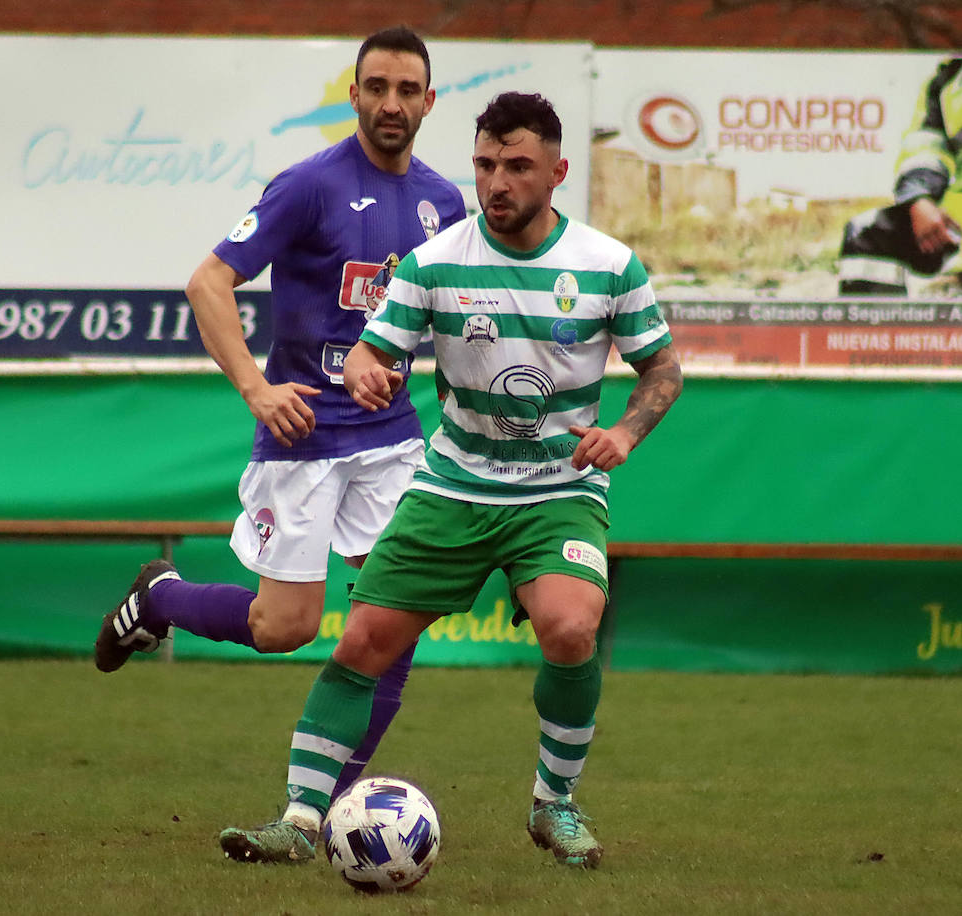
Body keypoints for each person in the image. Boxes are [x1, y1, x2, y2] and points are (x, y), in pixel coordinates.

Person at [218, 91, 683, 868]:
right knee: (363, 639)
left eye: (518, 165)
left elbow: (662, 368)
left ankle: (554, 806)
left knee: (571, 628)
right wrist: (367, 371)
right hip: (454, 484)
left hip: (557, 491)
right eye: (485, 164)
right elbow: (374, 349)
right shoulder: (435, 261)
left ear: (557, 172)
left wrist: (626, 430)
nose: (497, 181)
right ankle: (299, 822)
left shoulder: (607, 266)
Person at [93, 26, 466, 815]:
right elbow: (207, 283)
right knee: (283, 627)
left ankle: (330, 800)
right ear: (354, 94)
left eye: (407, 90)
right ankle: (161, 597)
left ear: (429, 102)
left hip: (391, 441)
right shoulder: (308, 187)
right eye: (376, 87)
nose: (391, 103)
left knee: (392, 619)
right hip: (301, 438)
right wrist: (258, 389)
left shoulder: (444, 204)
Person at [839, 57, 962, 295]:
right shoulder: (949, 82)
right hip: (956, 223)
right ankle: (871, 329)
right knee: (868, 232)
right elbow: (926, 148)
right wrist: (920, 198)